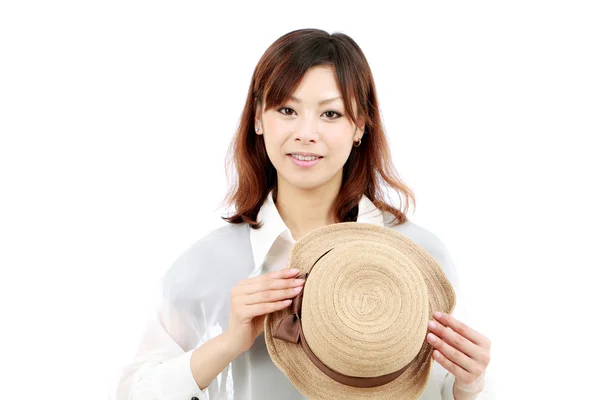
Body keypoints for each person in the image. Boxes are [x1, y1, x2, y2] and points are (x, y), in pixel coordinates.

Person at [113, 28, 493, 400]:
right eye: (287, 110)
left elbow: (445, 388)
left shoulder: (419, 257)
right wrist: (228, 344)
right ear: (259, 118)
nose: (306, 133)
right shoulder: (206, 267)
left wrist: (472, 385)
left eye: (330, 114)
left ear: (359, 126)